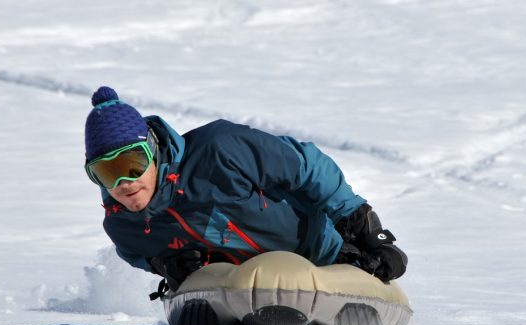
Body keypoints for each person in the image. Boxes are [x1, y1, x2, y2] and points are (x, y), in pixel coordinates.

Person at [84, 86, 407, 296]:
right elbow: (138, 254)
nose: (123, 182)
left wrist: (362, 225)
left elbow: (307, 164)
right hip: (241, 286)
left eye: (133, 163)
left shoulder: (220, 150)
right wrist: (165, 265)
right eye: (105, 171)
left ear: (154, 150)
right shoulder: (124, 225)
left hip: (329, 255)